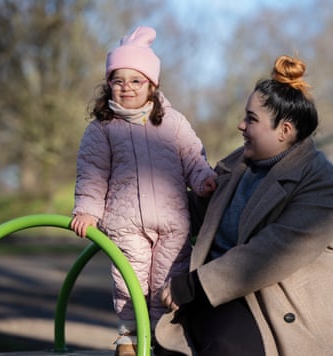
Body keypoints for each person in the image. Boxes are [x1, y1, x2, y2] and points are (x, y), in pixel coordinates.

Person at [155, 54, 333, 356]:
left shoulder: (323, 187)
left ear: (284, 131)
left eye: (251, 119)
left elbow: (271, 251)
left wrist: (193, 286)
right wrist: (140, 204)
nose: (240, 125)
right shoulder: (240, 163)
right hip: (224, 295)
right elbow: (198, 211)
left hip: (280, 305)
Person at [71, 26, 217, 356]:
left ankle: (163, 340)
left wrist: (203, 178)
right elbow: (92, 173)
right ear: (108, 83)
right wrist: (87, 210)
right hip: (125, 224)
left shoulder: (173, 123)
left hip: (172, 223)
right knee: (129, 284)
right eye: (118, 80)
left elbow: (193, 155)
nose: (126, 88)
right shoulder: (102, 129)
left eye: (135, 81)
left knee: (167, 285)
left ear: (152, 85)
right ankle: (129, 339)